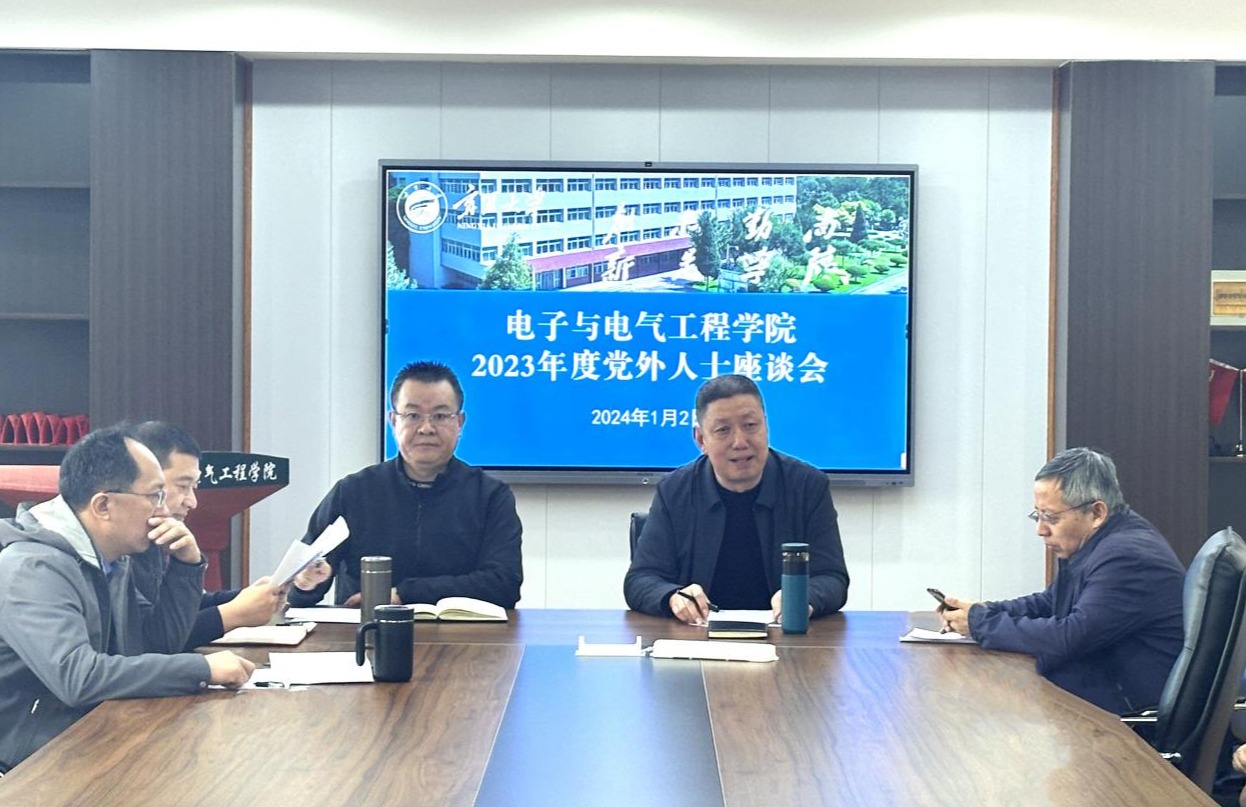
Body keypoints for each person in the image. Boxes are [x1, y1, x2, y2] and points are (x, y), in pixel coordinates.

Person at [0, 425, 254, 773]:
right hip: (26, 766)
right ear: (103, 505)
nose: (163, 511)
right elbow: (78, 678)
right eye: (155, 496)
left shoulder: (111, 559)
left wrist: (187, 566)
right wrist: (202, 668)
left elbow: (154, 645)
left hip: (83, 735)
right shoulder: (32, 568)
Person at [939, 447, 1184, 714]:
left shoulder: (1128, 557)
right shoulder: (1099, 541)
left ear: (1097, 513)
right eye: (1038, 515)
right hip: (1098, 693)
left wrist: (980, 624)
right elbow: (1051, 602)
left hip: (1127, 717)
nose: (1040, 530)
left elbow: (1069, 636)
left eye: (1051, 518)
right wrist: (985, 610)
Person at [287, 361, 523, 609]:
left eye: (440, 416)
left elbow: (504, 584)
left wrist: (403, 594)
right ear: (393, 421)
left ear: (460, 423)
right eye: (412, 415)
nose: (426, 428)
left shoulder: (489, 496)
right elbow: (300, 592)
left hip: (461, 630)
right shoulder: (353, 491)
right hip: (367, 629)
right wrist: (306, 583)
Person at [623, 374, 850, 623]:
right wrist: (673, 597)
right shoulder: (675, 490)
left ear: (766, 426)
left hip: (783, 635)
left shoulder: (807, 485)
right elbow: (640, 579)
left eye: (750, 425)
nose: (740, 442)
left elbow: (832, 577)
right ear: (701, 439)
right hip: (698, 636)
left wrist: (802, 597)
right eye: (723, 430)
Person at [129, 421, 284, 650]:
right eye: (183, 486)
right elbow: (149, 640)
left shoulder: (152, 538)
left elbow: (176, 608)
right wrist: (234, 614)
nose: (192, 502)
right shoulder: (118, 549)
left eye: (194, 487)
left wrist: (247, 597)